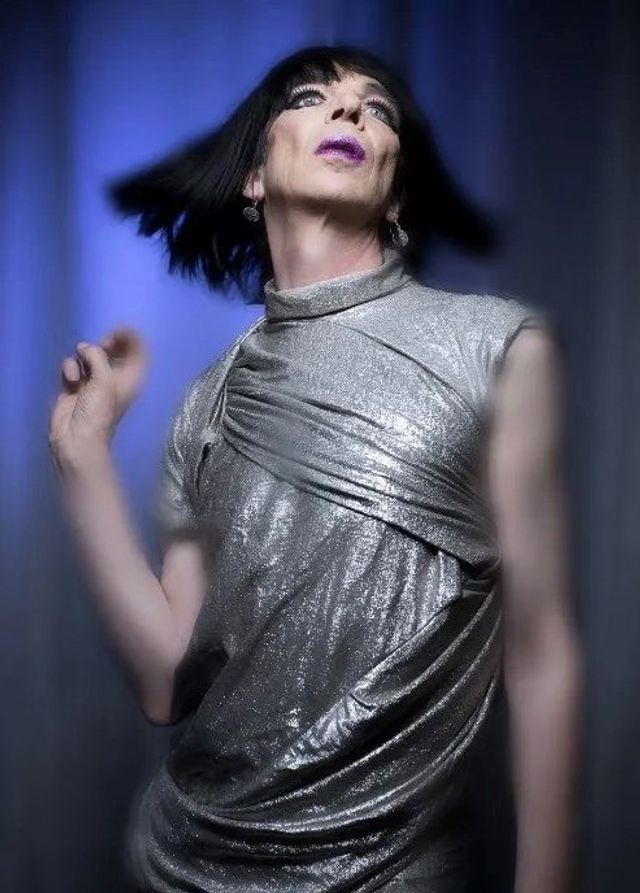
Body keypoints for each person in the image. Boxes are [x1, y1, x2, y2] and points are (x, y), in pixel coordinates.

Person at [48, 44, 582, 893]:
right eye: (311, 97)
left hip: (396, 874)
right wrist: (83, 463)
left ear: (396, 194)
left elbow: (541, 650)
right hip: (182, 867)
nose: (350, 111)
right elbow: (165, 682)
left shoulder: (501, 350)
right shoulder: (210, 400)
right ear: (254, 176)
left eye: (379, 108)